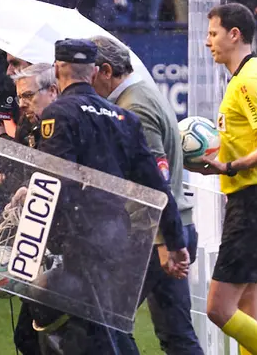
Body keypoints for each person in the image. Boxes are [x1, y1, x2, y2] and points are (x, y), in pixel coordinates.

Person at [31, 38, 190, 354]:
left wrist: (37, 239)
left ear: (59, 69)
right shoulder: (123, 118)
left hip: (79, 239)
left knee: (94, 332)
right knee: (107, 326)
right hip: (118, 237)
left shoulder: (58, 114)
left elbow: (54, 183)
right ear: (92, 72)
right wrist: (176, 239)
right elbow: (157, 186)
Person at [189, 2, 257, 355]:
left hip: (256, 200)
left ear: (234, 35)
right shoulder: (243, 79)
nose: (208, 43)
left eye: (213, 34)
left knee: (218, 308)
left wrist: (232, 167)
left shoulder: (250, 80)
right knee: (250, 312)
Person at [90, 35, 204, 354]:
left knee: (105, 323)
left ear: (106, 70)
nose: (86, 82)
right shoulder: (141, 94)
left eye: (90, 73)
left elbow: (155, 181)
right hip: (170, 228)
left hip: (152, 236)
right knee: (176, 334)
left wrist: (163, 243)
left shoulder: (133, 106)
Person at [0, 62, 58, 355]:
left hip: (62, 246)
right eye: (20, 97)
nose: (22, 102)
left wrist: (1, 140)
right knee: (29, 337)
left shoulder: (64, 127)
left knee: (54, 336)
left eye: (28, 95)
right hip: (35, 240)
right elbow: (25, 181)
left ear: (52, 90)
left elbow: (53, 179)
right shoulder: (28, 124)